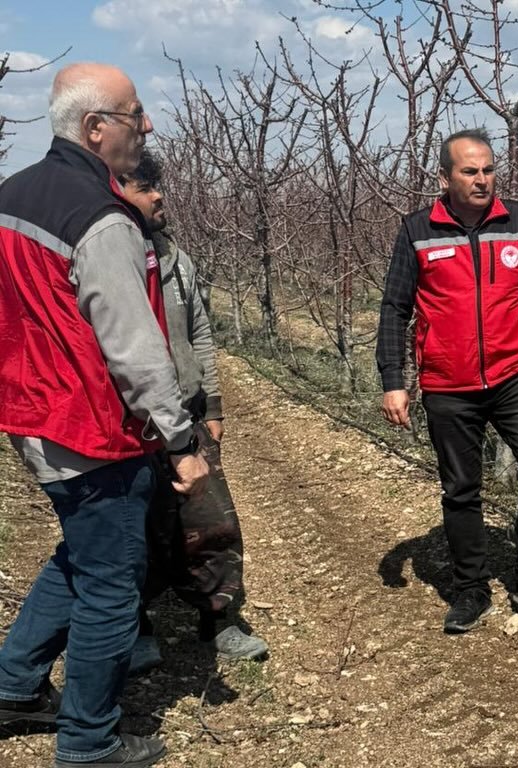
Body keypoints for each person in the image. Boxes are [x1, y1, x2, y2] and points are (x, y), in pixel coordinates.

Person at [0, 63, 210, 768]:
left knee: (82, 555)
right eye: (134, 113)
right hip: (90, 428)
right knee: (112, 587)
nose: (145, 125)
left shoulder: (13, 194)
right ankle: (89, 742)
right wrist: (180, 440)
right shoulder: (101, 218)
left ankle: (14, 687)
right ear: (95, 128)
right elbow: (134, 346)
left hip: (31, 413)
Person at [376, 128, 518, 634]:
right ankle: (471, 588)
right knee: (461, 488)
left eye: (488, 170)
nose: (481, 180)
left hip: (516, 371)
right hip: (448, 381)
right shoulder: (417, 230)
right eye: (469, 171)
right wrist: (393, 380)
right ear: (445, 178)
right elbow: (394, 308)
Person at [119, 151, 269, 670]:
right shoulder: (106, 263)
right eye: (144, 187)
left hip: (187, 416)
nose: (158, 195)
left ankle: (219, 618)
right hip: (129, 424)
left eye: (156, 185)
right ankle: (136, 625)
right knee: (136, 530)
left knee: (212, 522)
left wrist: (214, 403)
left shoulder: (177, 261)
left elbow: (199, 332)